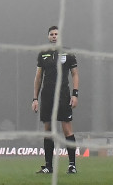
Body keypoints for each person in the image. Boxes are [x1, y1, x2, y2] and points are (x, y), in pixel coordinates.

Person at [32, 26, 79, 174]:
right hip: (47, 96)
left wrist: (75, 94)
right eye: (51, 34)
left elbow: (75, 75)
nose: (54, 36)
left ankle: (72, 165)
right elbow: (38, 77)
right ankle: (48, 166)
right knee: (48, 131)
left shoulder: (68, 52)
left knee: (67, 129)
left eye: (56, 34)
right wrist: (35, 98)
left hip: (64, 95)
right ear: (48, 37)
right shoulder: (43, 53)